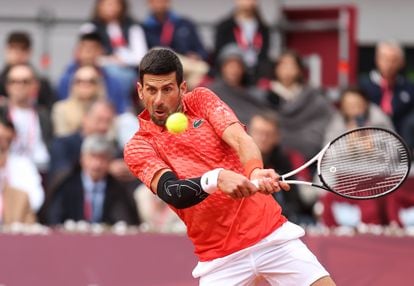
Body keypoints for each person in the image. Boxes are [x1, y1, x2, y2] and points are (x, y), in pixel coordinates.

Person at [124, 48, 335, 285]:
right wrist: (217, 178)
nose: (159, 100)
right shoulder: (138, 146)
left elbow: (240, 139)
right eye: (151, 90)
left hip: (270, 235)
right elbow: (172, 192)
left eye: (167, 89)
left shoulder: (202, 99)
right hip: (220, 259)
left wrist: (254, 169)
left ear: (182, 89)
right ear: (140, 91)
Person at [45, 134, 140, 225]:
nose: (96, 164)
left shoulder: (117, 188)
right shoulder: (67, 184)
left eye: (102, 159)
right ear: (82, 159)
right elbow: (54, 219)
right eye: (92, 157)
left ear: (110, 161)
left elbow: (125, 221)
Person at [260, 50, 334, 162]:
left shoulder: (312, 96)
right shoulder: (264, 94)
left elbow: (325, 119)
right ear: (276, 68)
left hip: (308, 157)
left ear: (299, 69)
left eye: (292, 65)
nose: (287, 70)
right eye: (283, 65)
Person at [248, 111, 315, 225]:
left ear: (277, 137)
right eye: (258, 132)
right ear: (249, 133)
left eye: (268, 134)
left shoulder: (284, 161)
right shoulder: (235, 159)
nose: (263, 138)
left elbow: (292, 200)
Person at [80, 0, 148, 105]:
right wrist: (110, 60)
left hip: (130, 70)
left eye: (114, 3)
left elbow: (141, 57)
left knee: (124, 76)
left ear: (122, 6)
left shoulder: (133, 27)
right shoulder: (90, 28)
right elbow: (86, 54)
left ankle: (121, 107)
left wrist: (123, 60)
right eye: (107, 4)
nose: (111, 7)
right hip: (99, 68)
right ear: (99, 6)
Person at [57, 31, 128, 114]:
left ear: (101, 51)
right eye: (84, 48)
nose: (88, 53)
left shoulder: (113, 82)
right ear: (77, 51)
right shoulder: (66, 80)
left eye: (93, 48)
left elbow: (120, 110)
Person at [2, 63, 52, 176]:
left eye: (25, 81)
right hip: (8, 172)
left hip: (39, 170)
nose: (19, 86)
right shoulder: (2, 112)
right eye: (14, 81)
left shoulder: (43, 114)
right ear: (7, 86)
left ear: (35, 85)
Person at [359, 40, 414, 135]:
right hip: (369, 138)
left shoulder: (409, 87)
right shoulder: (363, 85)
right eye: (385, 59)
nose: (389, 64)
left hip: (401, 140)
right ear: (377, 59)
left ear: (401, 62)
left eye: (394, 60)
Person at [0, 107, 44, 216]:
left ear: (13, 135)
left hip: (18, 222)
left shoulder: (24, 165)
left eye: (6, 132)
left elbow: (36, 197)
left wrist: (16, 207)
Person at [214, 0, 271, 84]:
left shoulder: (263, 28)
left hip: (256, 74)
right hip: (230, 76)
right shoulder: (225, 26)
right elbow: (219, 54)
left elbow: (264, 55)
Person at [207, 43, 265, 125]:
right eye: (230, 66)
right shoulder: (212, 91)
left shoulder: (251, 93)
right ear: (222, 68)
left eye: (238, 66)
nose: (234, 70)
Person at [0, 31, 56, 110]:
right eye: (13, 48)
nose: (18, 53)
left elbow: (49, 108)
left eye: (23, 49)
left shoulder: (42, 84)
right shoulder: (1, 82)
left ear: (29, 51)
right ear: (7, 50)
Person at [52, 65, 107, 137]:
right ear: (73, 85)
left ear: (98, 85)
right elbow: (61, 138)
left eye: (91, 81)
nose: (85, 85)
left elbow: (111, 137)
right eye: (79, 81)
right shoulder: (61, 109)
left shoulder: (106, 110)